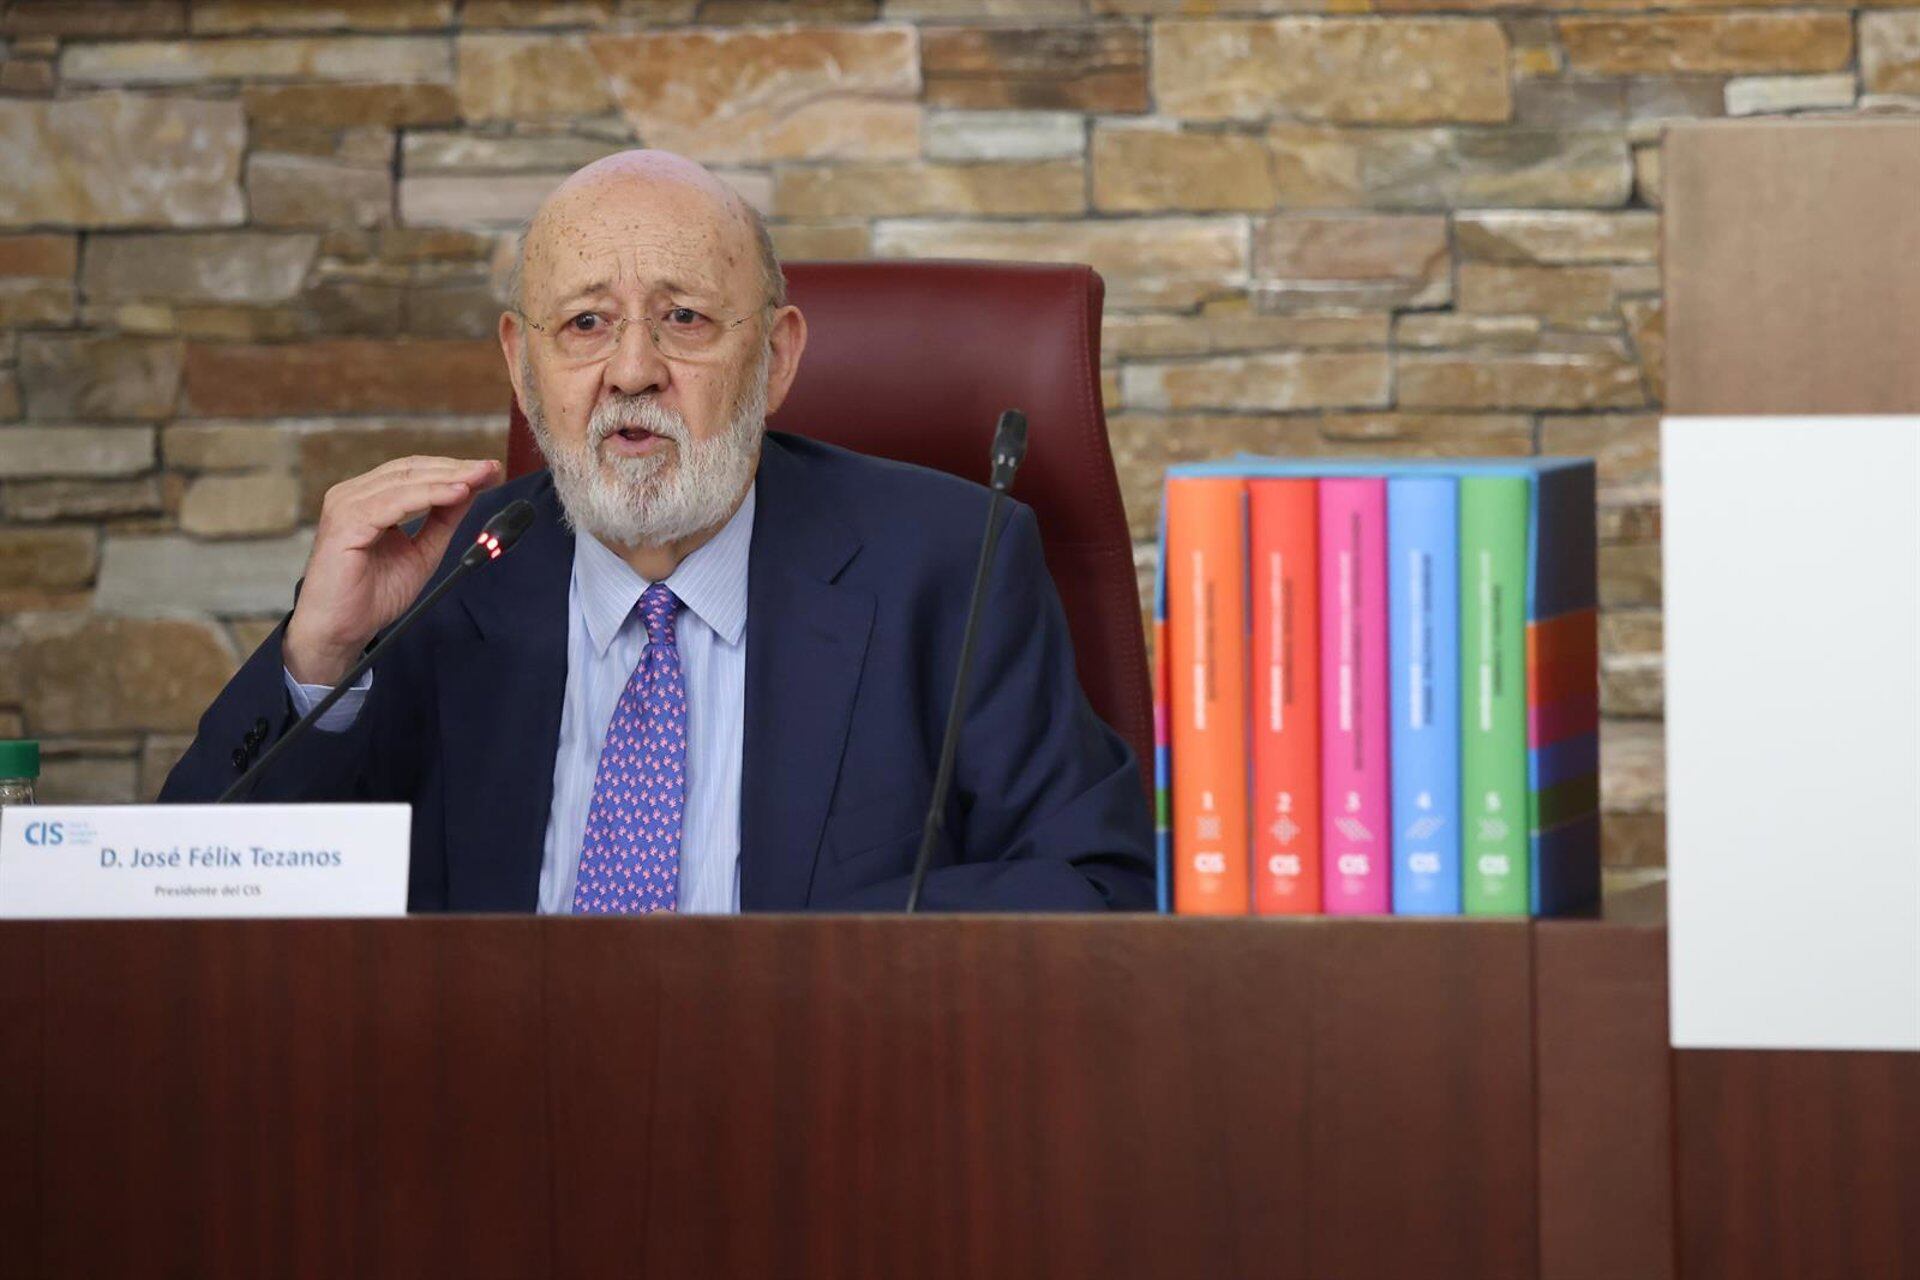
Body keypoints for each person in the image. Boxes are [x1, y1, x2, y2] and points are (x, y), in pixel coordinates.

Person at [161, 150, 1154, 914]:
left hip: (821, 1091)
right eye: (585, 324)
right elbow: (190, 905)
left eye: (683, 318)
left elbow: (1095, 882)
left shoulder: (947, 567)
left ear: (776, 358)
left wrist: (799, 976)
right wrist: (320, 659)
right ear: (521, 367)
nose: (632, 371)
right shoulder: (442, 584)